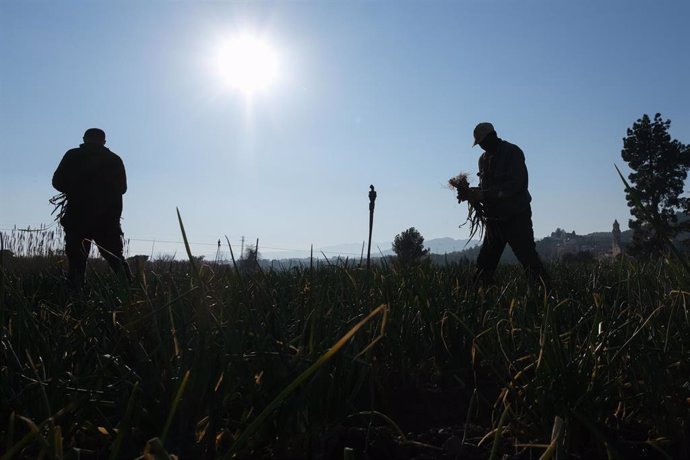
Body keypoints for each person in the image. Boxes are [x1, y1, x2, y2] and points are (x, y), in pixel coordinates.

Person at [457, 122, 548, 289]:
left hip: (516, 217)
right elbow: (487, 189)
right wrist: (471, 193)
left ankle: (546, 293)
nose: (482, 146)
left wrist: (484, 194)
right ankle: (481, 296)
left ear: (494, 136)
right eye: (480, 144)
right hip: (494, 221)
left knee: (529, 260)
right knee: (484, 264)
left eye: (483, 142)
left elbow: (517, 185)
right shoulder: (482, 160)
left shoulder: (513, 152)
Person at [52, 128, 132, 288]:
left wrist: (76, 189)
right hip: (107, 220)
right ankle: (131, 295)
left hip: (78, 218)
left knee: (76, 263)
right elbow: (122, 188)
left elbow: (57, 182)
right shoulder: (114, 160)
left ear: (84, 139)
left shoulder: (72, 155)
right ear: (104, 141)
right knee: (116, 259)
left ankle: (76, 300)